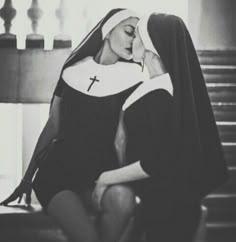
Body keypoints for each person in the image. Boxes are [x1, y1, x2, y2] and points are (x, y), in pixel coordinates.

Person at [0, 8, 147, 242]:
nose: (133, 40)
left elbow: (122, 139)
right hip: (59, 173)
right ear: (107, 30)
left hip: (100, 174)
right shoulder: (73, 71)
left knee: (123, 200)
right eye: (129, 32)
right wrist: (27, 179)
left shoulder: (134, 77)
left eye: (138, 37)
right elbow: (53, 126)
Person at [92, 13, 229, 242]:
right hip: (161, 204)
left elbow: (156, 162)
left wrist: (106, 177)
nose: (131, 39)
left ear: (151, 45)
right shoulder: (157, 88)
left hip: (168, 211)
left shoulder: (160, 95)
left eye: (137, 35)